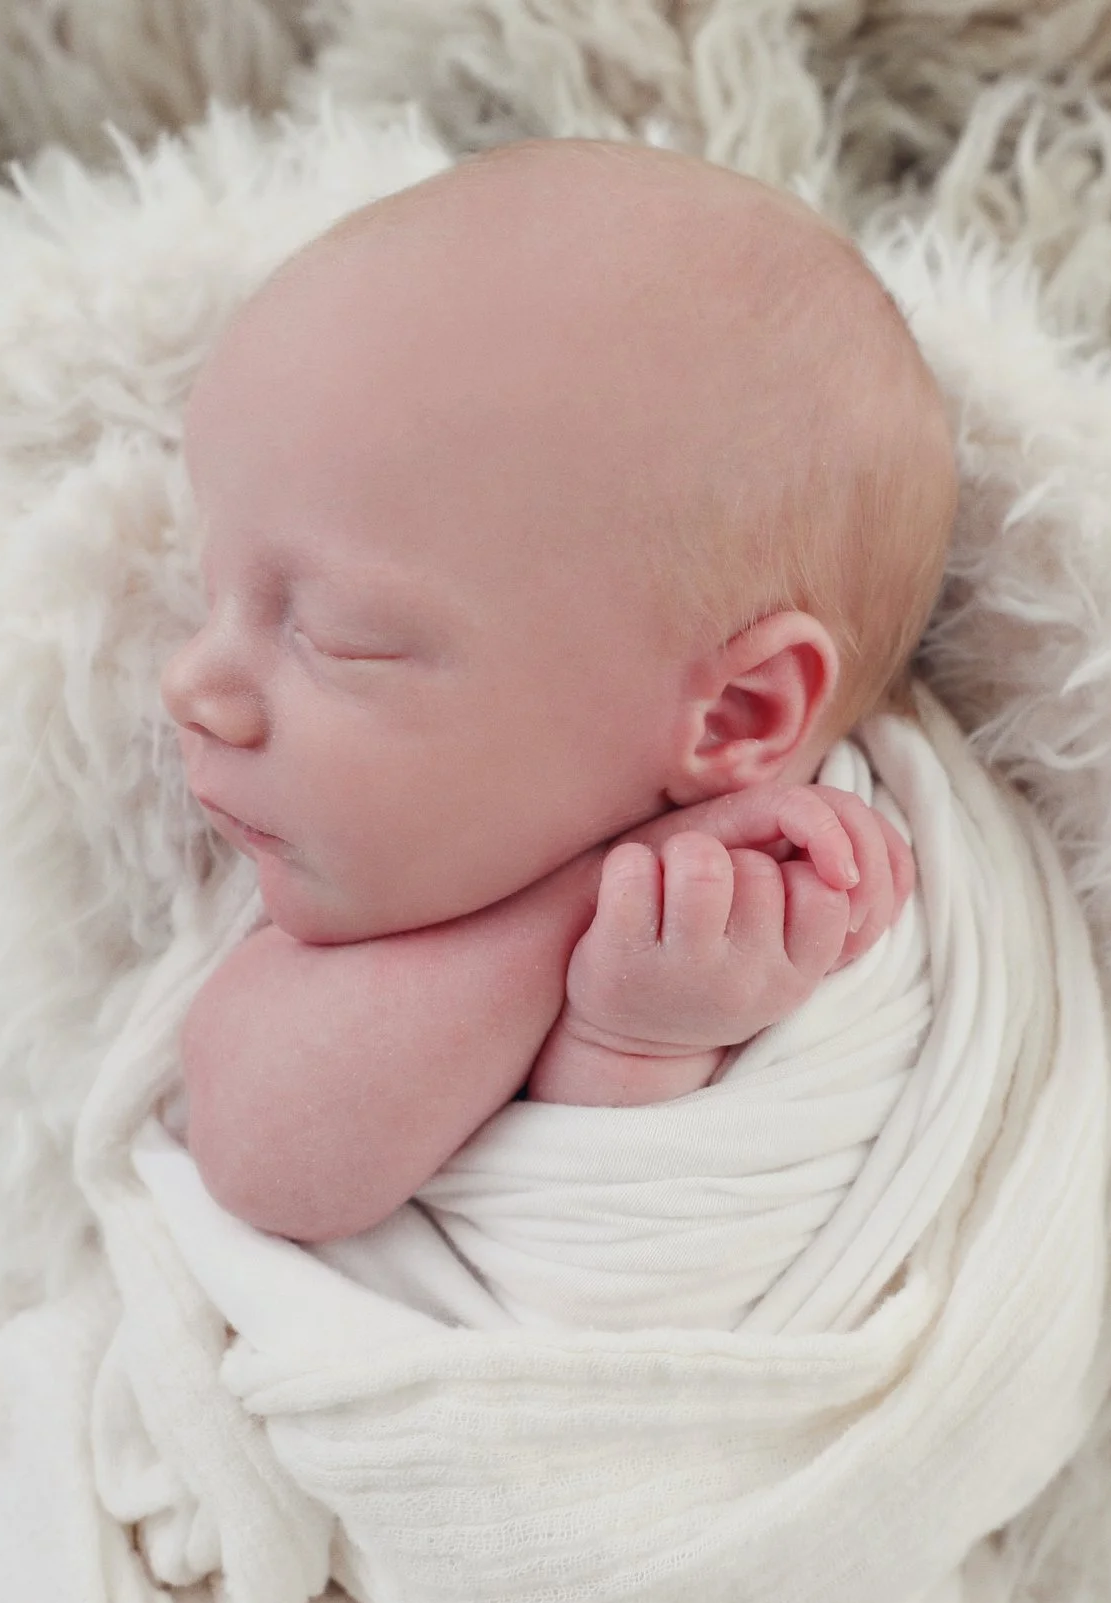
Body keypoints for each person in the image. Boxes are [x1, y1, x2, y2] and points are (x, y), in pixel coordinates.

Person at [158, 136, 957, 1244]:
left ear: (738, 716)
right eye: (211, 593)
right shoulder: (376, 916)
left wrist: (639, 1036)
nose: (193, 684)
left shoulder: (878, 887)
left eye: (340, 638)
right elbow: (261, 1160)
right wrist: (582, 927)